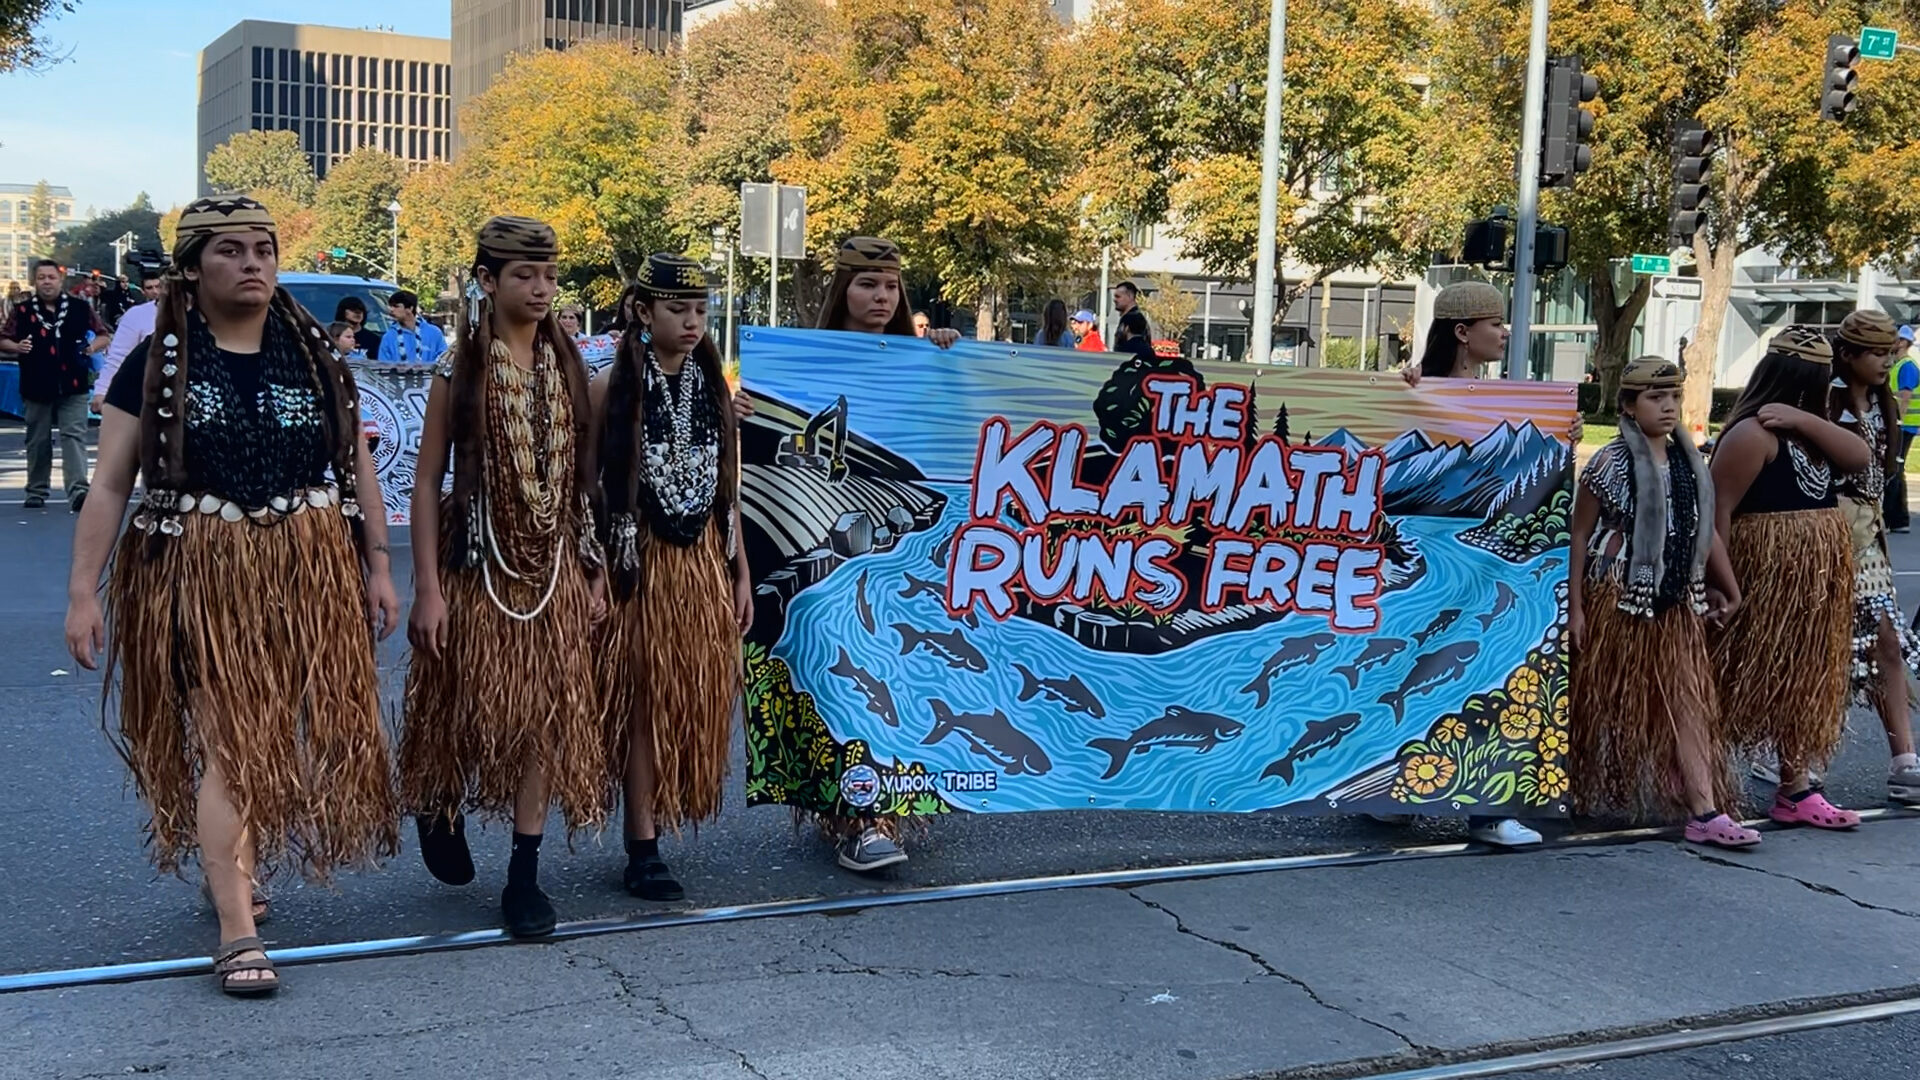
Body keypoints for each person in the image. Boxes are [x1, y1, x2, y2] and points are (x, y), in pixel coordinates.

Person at [63, 195, 402, 997]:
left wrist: (379, 568)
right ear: (191, 267)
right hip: (201, 573)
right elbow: (111, 485)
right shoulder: (156, 364)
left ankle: (237, 871)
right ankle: (236, 928)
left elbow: (358, 471)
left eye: (264, 249)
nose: (253, 263)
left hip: (305, 569)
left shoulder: (317, 360)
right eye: (231, 251)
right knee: (228, 741)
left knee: (272, 737)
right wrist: (84, 592)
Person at [399, 216, 607, 939]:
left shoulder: (570, 366)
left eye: (550, 274)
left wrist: (590, 568)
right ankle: (439, 797)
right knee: (463, 702)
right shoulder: (459, 371)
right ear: (487, 281)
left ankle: (525, 871)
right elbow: (426, 483)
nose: (542, 288)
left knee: (545, 719)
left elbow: (582, 486)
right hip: (476, 566)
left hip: (549, 568)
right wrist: (427, 586)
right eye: (525, 274)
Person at [1395, 280, 1581, 847]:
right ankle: (1395, 796)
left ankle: (1489, 809)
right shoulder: (1412, 389)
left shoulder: (1507, 402)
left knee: (1486, 668)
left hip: (1488, 570)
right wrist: (1398, 388)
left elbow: (1532, 485)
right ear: (1462, 332)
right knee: (1414, 668)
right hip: (1424, 562)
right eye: (1494, 323)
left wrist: (1561, 438)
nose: (1504, 333)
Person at [592, 253, 749, 902]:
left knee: (680, 698)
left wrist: (739, 572)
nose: (692, 322)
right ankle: (642, 842)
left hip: (700, 565)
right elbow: (588, 487)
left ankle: (656, 829)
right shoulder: (609, 386)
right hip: (639, 564)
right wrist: (593, 566)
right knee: (640, 700)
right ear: (644, 312)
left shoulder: (716, 390)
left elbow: (730, 494)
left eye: (701, 311)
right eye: (678, 310)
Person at [1568, 357, 1753, 847]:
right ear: (1628, 406)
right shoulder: (1608, 463)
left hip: (1677, 600)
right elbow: (1580, 533)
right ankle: (1575, 783)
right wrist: (1577, 607)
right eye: (1655, 398)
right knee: (1603, 699)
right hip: (1618, 595)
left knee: (1687, 699)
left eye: (1674, 397)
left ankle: (1704, 807)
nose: (1668, 407)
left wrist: (1728, 585)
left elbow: (1703, 527)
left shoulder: (1691, 464)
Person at [1709, 325, 1871, 830]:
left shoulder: (1815, 433)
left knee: (1801, 679)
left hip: (1813, 582)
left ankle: (1795, 787)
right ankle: (1702, 784)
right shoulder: (1750, 434)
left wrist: (1804, 417)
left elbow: (1861, 457)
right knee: (1735, 678)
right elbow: (1719, 514)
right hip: (1759, 576)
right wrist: (1720, 581)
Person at [1828, 311, 1920, 805]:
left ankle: (1904, 759)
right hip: (1826, 539)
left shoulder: (1883, 404)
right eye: (1876, 353)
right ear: (1846, 355)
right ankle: (1794, 752)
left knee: (1887, 641)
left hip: (1870, 539)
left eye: (1890, 351)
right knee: (1822, 646)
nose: (1887, 361)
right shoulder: (1823, 404)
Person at [1, 260, 109, 510]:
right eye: (41, 278)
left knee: (73, 436)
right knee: (37, 439)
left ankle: (79, 490)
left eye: (51, 277)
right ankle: (36, 490)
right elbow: (3, 338)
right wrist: (16, 347)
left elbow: (104, 334)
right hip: (36, 383)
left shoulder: (80, 308)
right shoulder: (23, 311)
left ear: (60, 280)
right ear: (35, 282)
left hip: (73, 383)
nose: (47, 282)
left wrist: (92, 347)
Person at [95, 265, 166, 413]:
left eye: (158, 286)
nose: (155, 291)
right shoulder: (136, 315)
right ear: (143, 291)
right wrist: (102, 390)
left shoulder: (201, 313)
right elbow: (118, 356)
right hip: (145, 395)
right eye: (150, 288)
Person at [1884, 325, 1918, 533]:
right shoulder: (1899, 365)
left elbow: (1904, 398)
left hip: (1903, 425)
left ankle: (1890, 518)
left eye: (1895, 339)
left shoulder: (1907, 366)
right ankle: (1899, 520)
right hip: (1904, 425)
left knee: (1894, 470)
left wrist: (1896, 423)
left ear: (1903, 342)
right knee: (1897, 470)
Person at [378, 289, 448, 365]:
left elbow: (443, 360)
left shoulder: (434, 333)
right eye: (390, 306)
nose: (391, 310)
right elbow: (384, 366)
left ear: (410, 308)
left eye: (396, 306)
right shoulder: (389, 336)